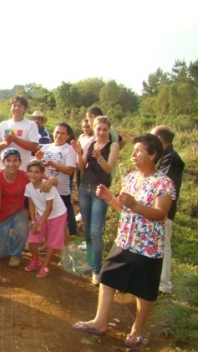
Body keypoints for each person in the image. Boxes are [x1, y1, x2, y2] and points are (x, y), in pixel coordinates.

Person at [73, 134, 174, 349]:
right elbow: (124, 211)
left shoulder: (163, 182)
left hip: (148, 246)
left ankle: (137, 329)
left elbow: (160, 213)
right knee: (108, 277)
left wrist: (135, 205)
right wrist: (109, 198)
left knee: (144, 290)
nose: (134, 154)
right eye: (134, 150)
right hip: (125, 240)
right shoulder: (131, 178)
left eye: (139, 150)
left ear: (153, 154)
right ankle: (100, 322)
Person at [0, 148, 58, 268]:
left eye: (15, 160)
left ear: (20, 162)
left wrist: (52, 180)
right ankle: (12, 238)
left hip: (19, 211)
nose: (12, 164)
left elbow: (50, 179)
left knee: (22, 226)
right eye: (8, 161)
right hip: (1, 215)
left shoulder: (25, 175)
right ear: (3, 162)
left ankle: (16, 254)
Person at [72, 116, 120, 285]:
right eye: (98, 129)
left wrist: (99, 157)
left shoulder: (113, 146)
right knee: (87, 229)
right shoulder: (91, 144)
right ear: (94, 129)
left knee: (95, 231)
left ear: (109, 131)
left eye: (104, 129)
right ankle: (90, 262)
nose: (101, 132)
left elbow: (108, 169)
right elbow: (81, 166)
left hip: (100, 192)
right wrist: (79, 152)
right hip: (85, 189)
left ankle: (97, 270)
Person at [35, 122, 77, 265]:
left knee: (63, 224)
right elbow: (37, 167)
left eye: (62, 133)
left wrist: (53, 164)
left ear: (68, 135)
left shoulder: (69, 150)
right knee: (47, 219)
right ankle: (47, 245)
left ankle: (66, 254)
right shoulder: (46, 147)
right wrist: (38, 159)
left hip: (61, 192)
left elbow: (70, 170)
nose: (59, 135)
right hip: (45, 191)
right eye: (57, 132)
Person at [151, 125, 184, 294]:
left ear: (160, 140)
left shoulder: (171, 159)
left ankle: (163, 285)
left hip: (164, 209)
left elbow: (160, 183)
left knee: (163, 245)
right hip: (155, 208)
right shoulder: (165, 156)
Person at [24, 160, 67, 278]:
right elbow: (31, 204)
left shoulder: (47, 187)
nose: (33, 174)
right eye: (30, 171)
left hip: (57, 215)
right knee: (32, 238)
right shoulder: (28, 187)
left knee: (52, 241)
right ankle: (36, 260)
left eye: (37, 172)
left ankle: (46, 266)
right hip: (42, 215)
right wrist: (33, 221)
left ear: (43, 174)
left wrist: (40, 224)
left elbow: (49, 208)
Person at [0, 96, 39, 170]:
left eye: (20, 106)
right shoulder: (3, 124)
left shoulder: (31, 124)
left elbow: (34, 147)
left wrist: (15, 139)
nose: (16, 108)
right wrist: (6, 143)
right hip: (4, 169)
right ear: (11, 108)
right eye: (14, 105)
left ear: (24, 109)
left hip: (23, 169)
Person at [75, 118, 94, 222]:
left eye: (88, 127)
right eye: (84, 127)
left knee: (86, 189)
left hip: (87, 166)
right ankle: (82, 211)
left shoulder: (93, 138)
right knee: (79, 187)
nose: (86, 129)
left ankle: (87, 211)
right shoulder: (81, 137)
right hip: (78, 164)